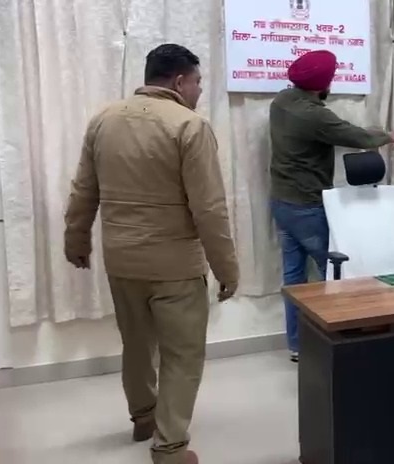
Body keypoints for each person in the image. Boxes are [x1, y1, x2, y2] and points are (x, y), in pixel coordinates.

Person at [64, 43, 239, 464]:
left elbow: (84, 189)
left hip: (122, 260)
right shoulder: (189, 126)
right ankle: (170, 448)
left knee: (137, 344)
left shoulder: (104, 120)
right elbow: (209, 209)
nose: (199, 90)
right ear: (179, 81)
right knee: (182, 355)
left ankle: (144, 417)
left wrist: (76, 239)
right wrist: (227, 268)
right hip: (174, 266)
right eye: (197, 81)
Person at [269, 50, 394, 362]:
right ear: (323, 83)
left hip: (282, 202)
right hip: (307, 206)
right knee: (335, 272)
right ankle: (341, 343)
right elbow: (355, 136)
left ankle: (298, 345)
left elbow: (340, 130)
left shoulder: (282, 101)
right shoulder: (314, 116)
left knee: (294, 279)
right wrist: (388, 136)